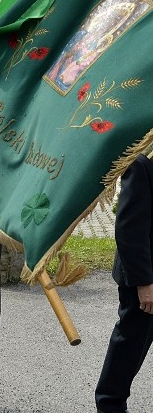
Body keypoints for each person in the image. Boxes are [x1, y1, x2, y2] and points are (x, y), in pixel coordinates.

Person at [95, 152, 153, 413]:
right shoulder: (142, 164)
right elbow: (129, 230)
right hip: (144, 276)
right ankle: (109, 404)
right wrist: (144, 283)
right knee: (129, 345)